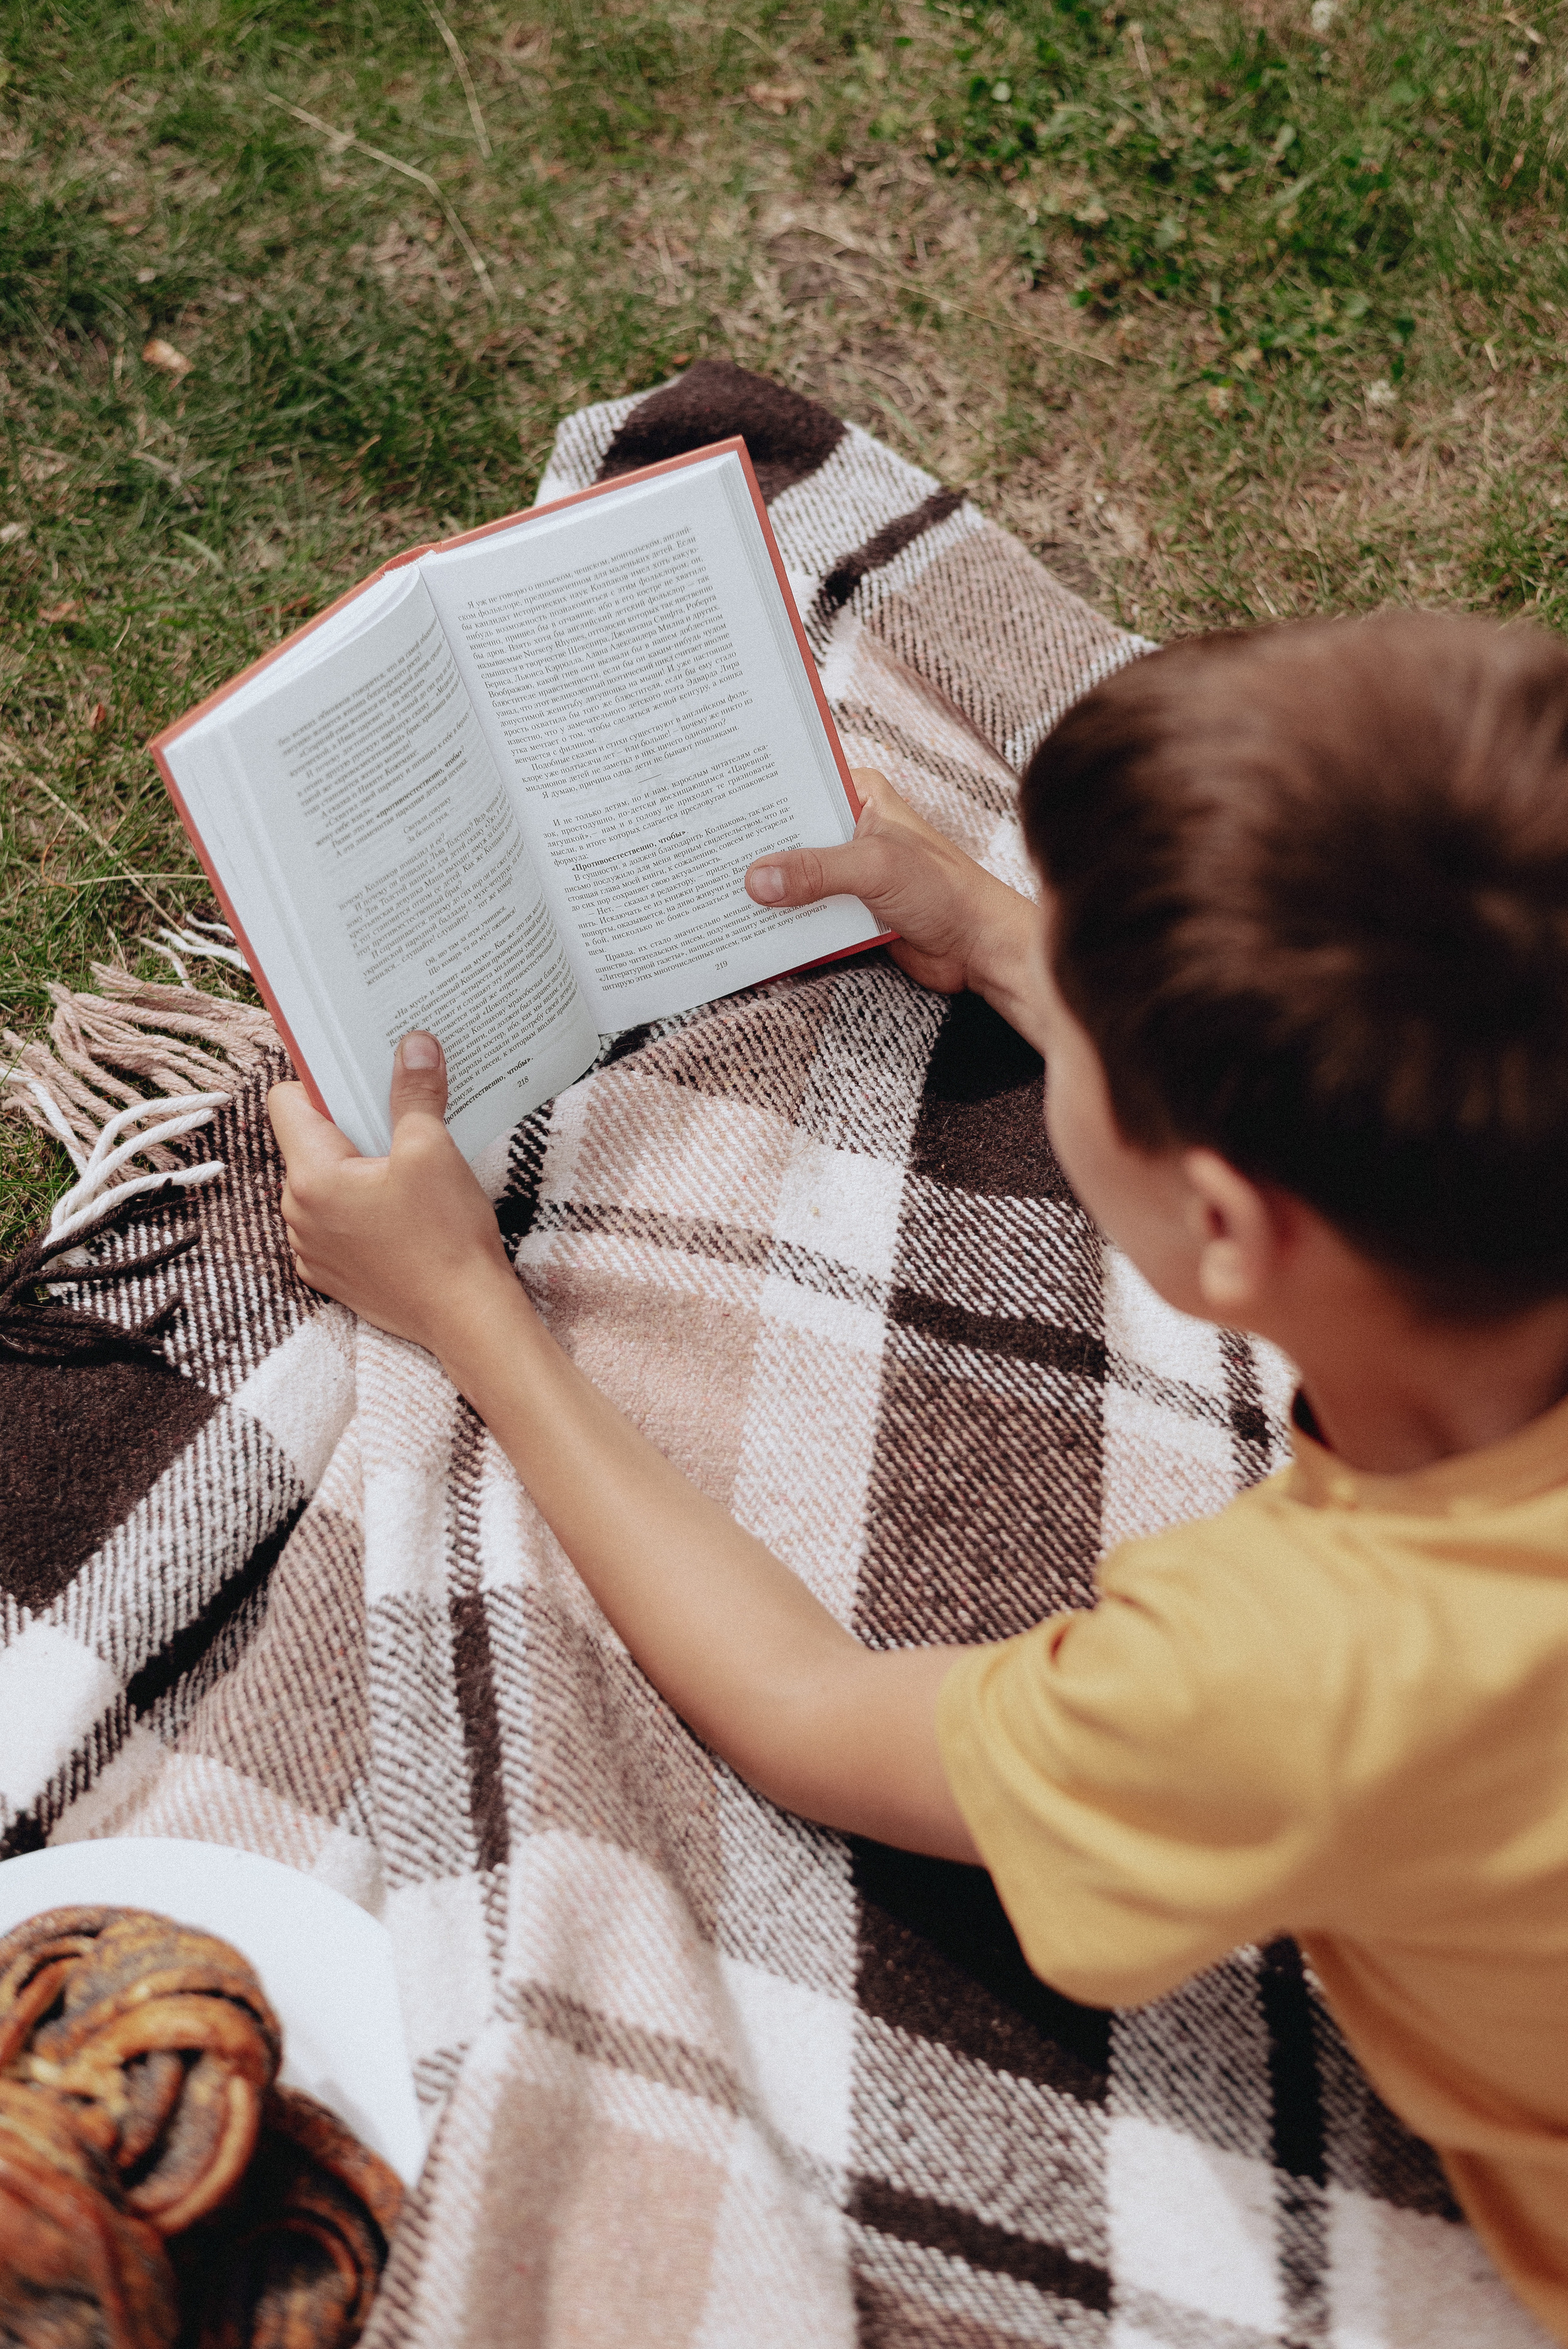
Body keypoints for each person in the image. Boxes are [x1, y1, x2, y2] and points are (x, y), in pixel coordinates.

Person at [269, 609, 1568, 2340]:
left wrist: (465, 1306)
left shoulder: (1295, 1673)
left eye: (1092, 1031)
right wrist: (1012, 943)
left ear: (1231, 1227)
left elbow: (813, 1710)